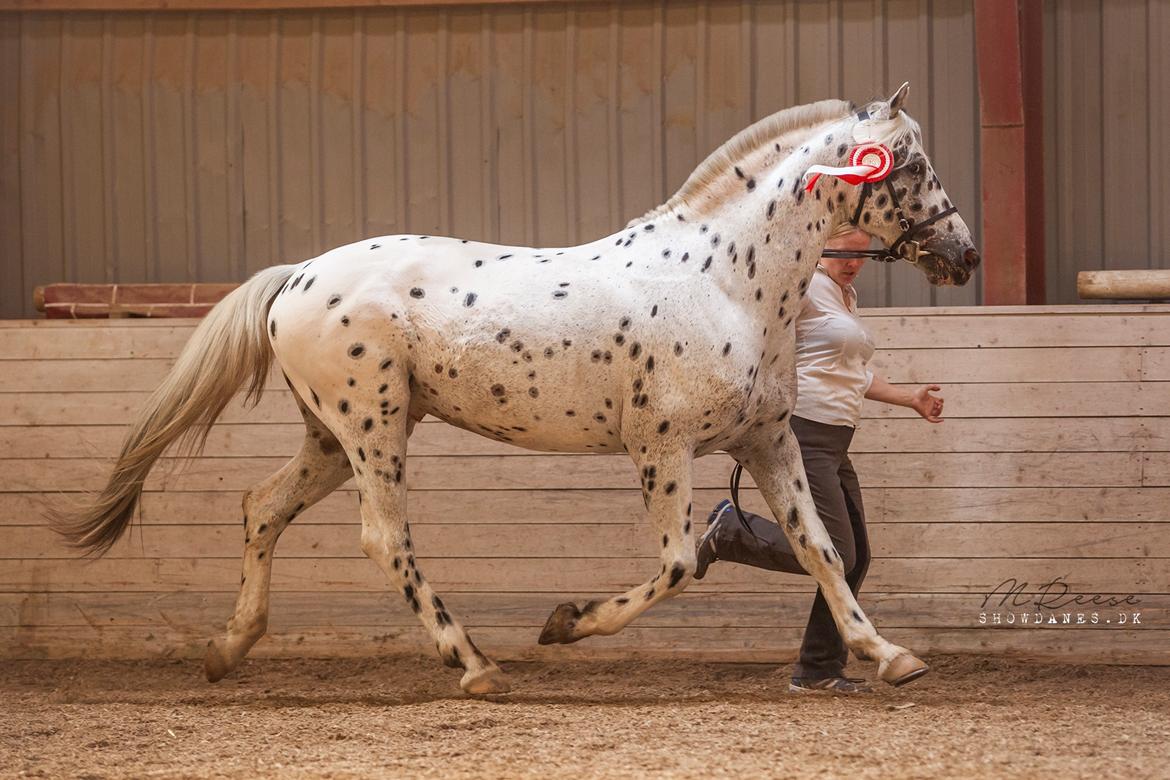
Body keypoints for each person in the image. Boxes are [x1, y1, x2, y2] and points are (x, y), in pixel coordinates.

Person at [694, 225, 945, 694]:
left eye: (861, 255)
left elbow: (852, 372)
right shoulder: (804, 286)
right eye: (843, 253)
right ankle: (730, 533)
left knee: (856, 557)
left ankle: (817, 670)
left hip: (836, 438)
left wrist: (909, 397)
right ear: (819, 248)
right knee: (838, 552)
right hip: (804, 432)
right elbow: (751, 329)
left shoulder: (846, 297)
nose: (853, 263)